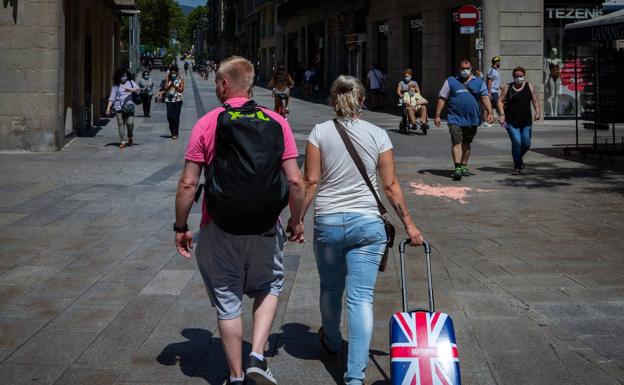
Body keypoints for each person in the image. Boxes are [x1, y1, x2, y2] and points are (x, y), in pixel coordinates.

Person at [174, 56, 305, 385]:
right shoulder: (277, 121)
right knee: (270, 284)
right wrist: (296, 221)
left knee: (227, 297)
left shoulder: (208, 123)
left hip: (218, 225)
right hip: (265, 225)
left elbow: (189, 183)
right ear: (249, 85)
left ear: (222, 84)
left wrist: (180, 226)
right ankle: (258, 356)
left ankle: (234, 376)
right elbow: (296, 182)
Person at [301, 75, 424, 385]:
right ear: (362, 102)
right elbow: (391, 185)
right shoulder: (379, 134)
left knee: (330, 288)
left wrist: (296, 219)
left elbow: (311, 181)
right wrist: (409, 223)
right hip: (368, 225)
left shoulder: (319, 132)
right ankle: (354, 376)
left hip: (328, 221)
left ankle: (330, 340)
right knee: (361, 299)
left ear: (332, 101)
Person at [434, 59, 494, 181]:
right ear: (459, 68)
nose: (465, 71)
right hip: (454, 117)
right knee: (457, 141)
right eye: (462, 68)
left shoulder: (478, 82)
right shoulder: (451, 81)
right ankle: (457, 168)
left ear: (471, 68)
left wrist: (490, 112)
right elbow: (442, 98)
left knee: (466, 144)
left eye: (467, 68)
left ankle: (463, 165)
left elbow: (485, 97)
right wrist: (437, 115)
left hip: (472, 119)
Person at [496, 66, 541, 175]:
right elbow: (499, 101)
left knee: (526, 144)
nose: (519, 78)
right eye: (516, 76)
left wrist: (538, 112)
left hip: (526, 121)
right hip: (511, 121)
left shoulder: (529, 86)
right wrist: (502, 114)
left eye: (521, 76)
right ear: (513, 76)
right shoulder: (508, 87)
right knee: (517, 142)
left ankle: (517, 159)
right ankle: (517, 166)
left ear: (524, 76)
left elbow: (535, 101)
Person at [106, 67, 140, 148]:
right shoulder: (115, 86)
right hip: (118, 108)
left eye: (125, 75)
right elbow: (112, 98)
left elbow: (138, 90)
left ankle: (130, 136)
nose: (124, 77)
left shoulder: (131, 82)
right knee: (121, 124)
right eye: (122, 76)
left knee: (130, 123)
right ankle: (123, 141)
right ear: (118, 76)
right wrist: (108, 108)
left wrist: (130, 89)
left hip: (129, 107)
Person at [164, 65, 184, 140]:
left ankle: (175, 132)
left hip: (178, 99)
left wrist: (175, 87)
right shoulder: (167, 78)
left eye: (174, 72)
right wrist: (170, 86)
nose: (173, 73)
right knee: (169, 116)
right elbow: (165, 88)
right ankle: (172, 129)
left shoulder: (180, 78)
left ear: (176, 72)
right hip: (168, 99)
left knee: (176, 116)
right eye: (172, 72)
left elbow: (182, 89)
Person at [486, 56, 502, 127]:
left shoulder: (495, 71)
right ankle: (502, 120)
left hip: (495, 91)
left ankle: (490, 121)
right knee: (498, 106)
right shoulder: (491, 70)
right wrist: (489, 92)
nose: (500, 63)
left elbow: (495, 82)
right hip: (492, 91)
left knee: (493, 106)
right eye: (499, 62)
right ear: (497, 62)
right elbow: (489, 82)